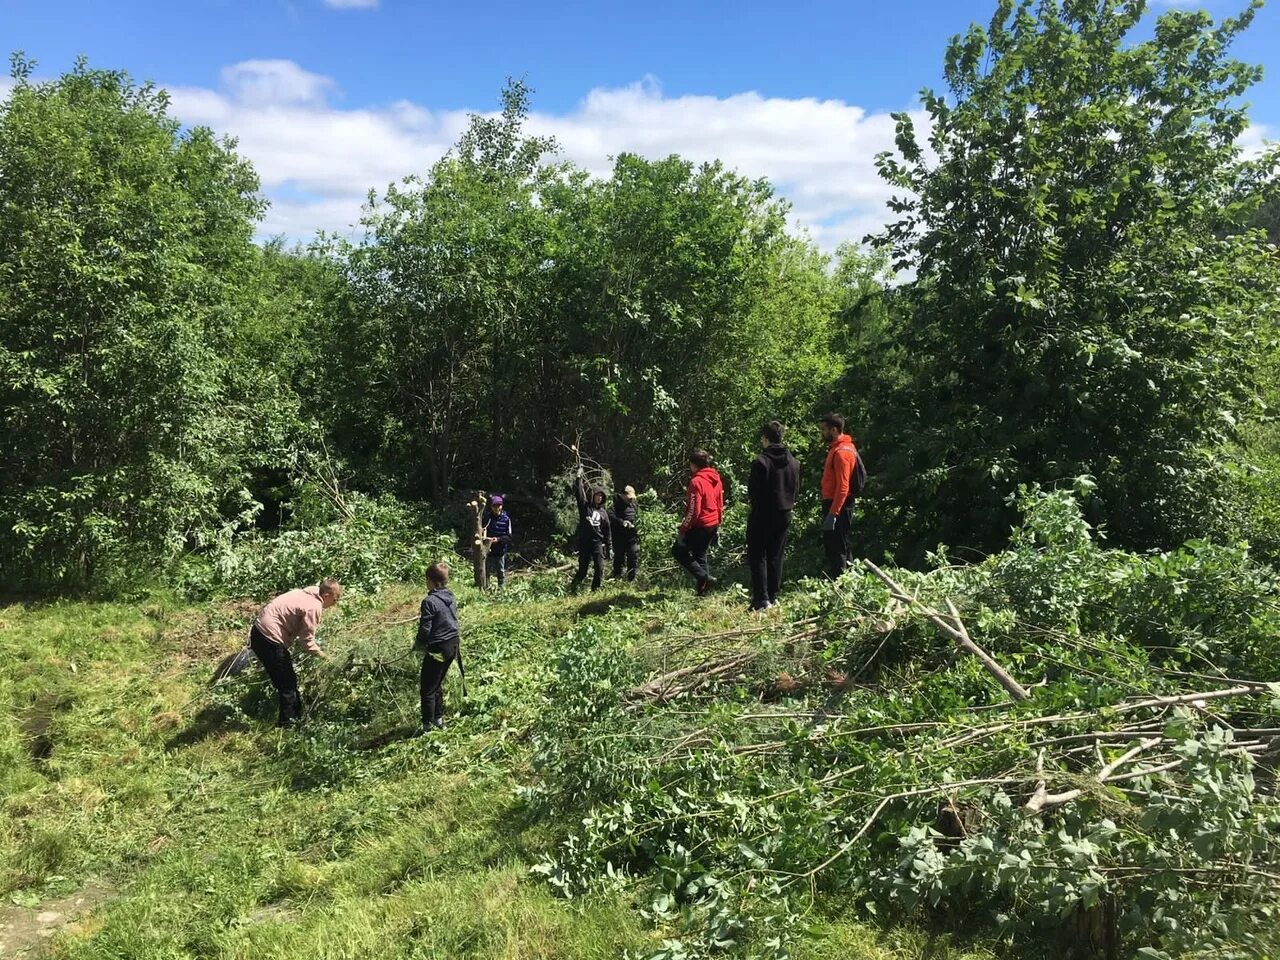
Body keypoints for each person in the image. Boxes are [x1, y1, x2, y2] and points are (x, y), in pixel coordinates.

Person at [249, 578, 341, 726]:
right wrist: (326, 657)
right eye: (335, 600)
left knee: (285, 679)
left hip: (257, 632)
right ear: (327, 596)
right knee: (287, 684)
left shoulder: (305, 593)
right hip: (269, 639)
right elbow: (307, 642)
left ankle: (297, 717)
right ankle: (287, 725)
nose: (335, 604)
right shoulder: (314, 607)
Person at [747, 421, 800, 611]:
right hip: (785, 513)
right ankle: (773, 594)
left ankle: (761, 599)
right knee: (776, 554)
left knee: (758, 554)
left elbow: (754, 492)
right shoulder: (794, 462)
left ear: (766, 438)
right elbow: (796, 489)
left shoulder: (761, 462)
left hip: (763, 514)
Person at [415, 561, 460, 733]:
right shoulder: (450, 596)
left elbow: (425, 628)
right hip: (453, 644)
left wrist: (418, 646)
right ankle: (438, 719)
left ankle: (427, 727)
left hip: (438, 647)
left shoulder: (429, 601)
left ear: (431, 581)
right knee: (436, 683)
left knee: (427, 687)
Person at [672, 448, 724, 596]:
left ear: (694, 464)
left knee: (677, 551)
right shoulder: (716, 478)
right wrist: (718, 523)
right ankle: (702, 592)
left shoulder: (696, 482)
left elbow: (694, 510)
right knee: (700, 555)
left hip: (701, 525)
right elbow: (720, 503)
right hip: (712, 523)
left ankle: (704, 577)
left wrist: (683, 529)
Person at [819, 412, 859, 577]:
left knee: (837, 547)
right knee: (839, 544)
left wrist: (833, 513)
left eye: (824, 429)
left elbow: (843, 486)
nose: (822, 433)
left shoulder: (842, 452)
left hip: (838, 505)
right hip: (836, 504)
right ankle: (847, 580)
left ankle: (841, 583)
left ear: (834, 430)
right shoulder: (839, 448)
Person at [572, 467, 612, 591]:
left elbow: (607, 531)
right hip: (585, 543)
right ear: (593, 496)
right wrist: (578, 478)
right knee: (583, 569)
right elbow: (579, 493)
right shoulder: (585, 508)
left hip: (598, 544)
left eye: (601, 496)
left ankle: (595, 589)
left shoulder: (604, 513)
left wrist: (609, 548)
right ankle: (573, 587)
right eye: (597, 495)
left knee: (599, 568)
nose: (599, 498)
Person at [609, 485, 641, 582]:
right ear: (623, 495)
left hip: (632, 537)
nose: (631, 499)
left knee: (633, 557)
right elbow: (610, 516)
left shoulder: (634, 505)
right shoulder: (615, 506)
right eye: (629, 497)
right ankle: (617, 576)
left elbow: (638, 516)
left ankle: (631, 579)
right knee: (619, 558)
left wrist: (639, 526)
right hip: (619, 537)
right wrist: (622, 522)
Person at [483, 494, 513, 587]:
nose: (497, 508)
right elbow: (483, 530)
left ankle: (501, 590)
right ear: (491, 507)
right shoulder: (487, 518)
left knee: (500, 572)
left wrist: (498, 539)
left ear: (502, 506)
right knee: (486, 571)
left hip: (500, 550)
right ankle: (486, 588)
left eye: (499, 505)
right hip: (488, 550)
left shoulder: (506, 519)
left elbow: (509, 537)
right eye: (494, 506)